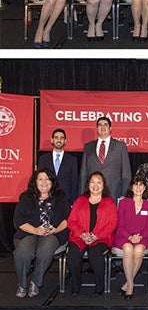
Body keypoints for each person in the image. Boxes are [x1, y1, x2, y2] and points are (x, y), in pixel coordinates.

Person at [13, 168, 70, 299]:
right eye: (40, 179)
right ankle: (22, 284)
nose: (44, 182)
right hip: (29, 233)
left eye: (47, 179)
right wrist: (36, 230)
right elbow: (18, 221)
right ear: (35, 181)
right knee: (23, 253)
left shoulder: (60, 196)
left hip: (53, 234)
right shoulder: (26, 197)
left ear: (52, 181)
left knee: (44, 252)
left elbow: (68, 218)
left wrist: (56, 229)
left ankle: (35, 282)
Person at [67, 171, 117, 295]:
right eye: (92, 182)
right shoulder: (79, 200)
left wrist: (96, 236)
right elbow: (71, 221)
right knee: (73, 255)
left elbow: (112, 224)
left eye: (99, 182)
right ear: (88, 184)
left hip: (102, 238)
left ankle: (99, 287)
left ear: (103, 185)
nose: (95, 185)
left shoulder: (109, 202)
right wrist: (82, 234)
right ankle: (75, 286)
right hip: (79, 237)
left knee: (95, 254)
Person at [112, 176, 148, 298]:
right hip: (124, 236)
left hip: (142, 238)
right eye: (135, 185)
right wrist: (130, 238)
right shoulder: (124, 203)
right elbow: (120, 226)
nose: (138, 188)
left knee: (139, 250)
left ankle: (127, 284)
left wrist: (139, 237)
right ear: (131, 187)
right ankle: (130, 284)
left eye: (141, 185)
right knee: (129, 249)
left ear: (145, 188)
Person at [79, 116, 131, 204]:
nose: (102, 127)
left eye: (105, 125)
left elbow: (126, 174)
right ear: (97, 128)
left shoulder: (120, 146)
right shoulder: (88, 147)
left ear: (110, 128)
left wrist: (123, 195)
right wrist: (82, 195)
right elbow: (83, 174)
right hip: (92, 194)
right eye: (100, 125)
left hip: (114, 193)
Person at [38, 128, 78, 205]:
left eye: (61, 138)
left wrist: (73, 203)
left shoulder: (72, 160)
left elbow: (74, 183)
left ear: (65, 141)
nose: (59, 140)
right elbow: (39, 180)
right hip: (46, 199)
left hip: (65, 200)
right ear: (52, 140)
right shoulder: (43, 159)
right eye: (56, 137)